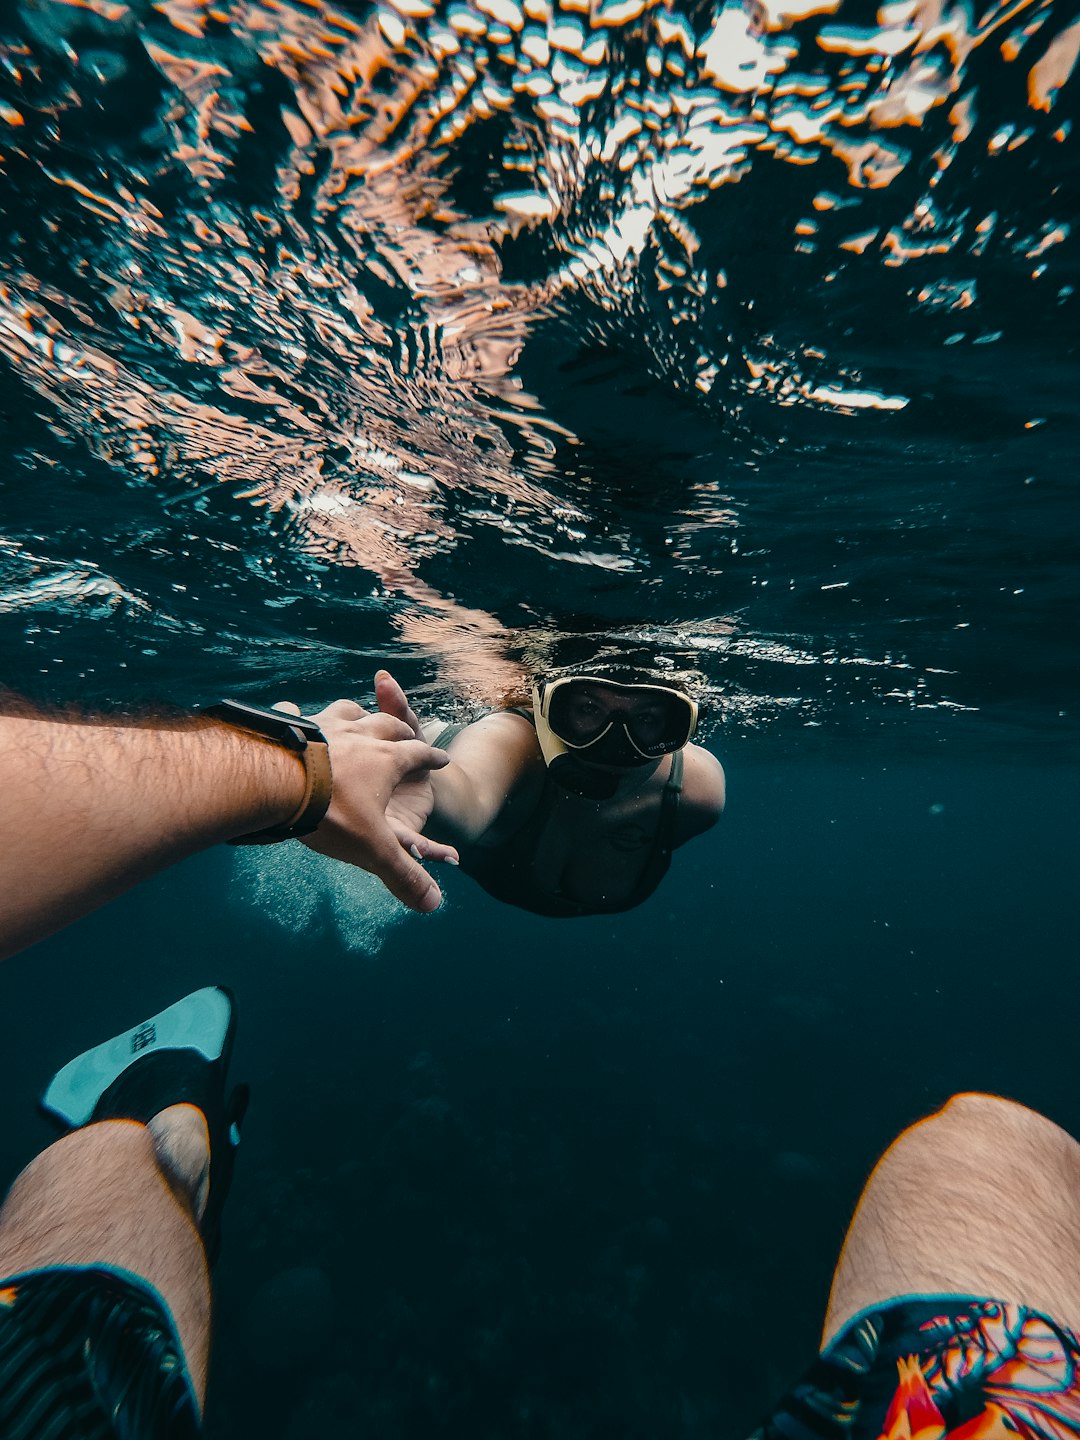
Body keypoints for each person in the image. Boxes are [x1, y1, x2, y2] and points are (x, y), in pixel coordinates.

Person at [375, 666, 726, 917]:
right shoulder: (514, 745)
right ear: (549, 709)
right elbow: (466, 793)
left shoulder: (696, 796)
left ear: (678, 728)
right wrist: (428, 792)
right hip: (437, 749)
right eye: (588, 710)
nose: (613, 747)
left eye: (647, 721)